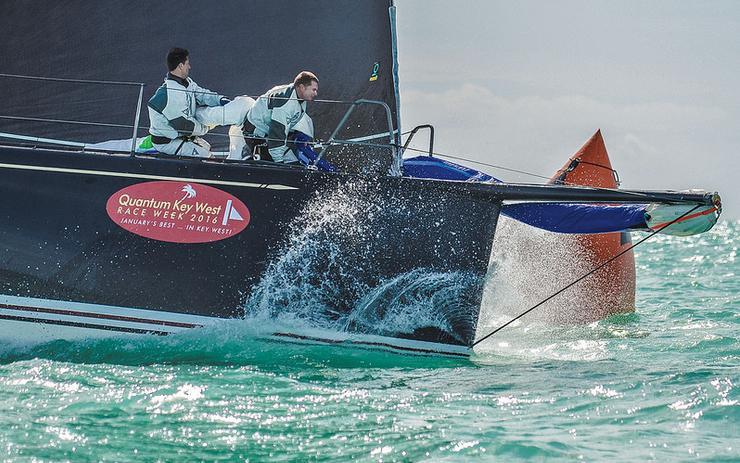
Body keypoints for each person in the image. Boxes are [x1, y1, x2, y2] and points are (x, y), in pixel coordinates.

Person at [148, 47, 250, 157]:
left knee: (207, 148)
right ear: (181, 66)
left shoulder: (185, 82)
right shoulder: (171, 94)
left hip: (180, 135)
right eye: (187, 63)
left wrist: (221, 100)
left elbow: (201, 94)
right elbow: (185, 126)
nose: (190, 67)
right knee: (206, 157)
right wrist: (207, 127)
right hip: (167, 142)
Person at [231, 71, 318, 163]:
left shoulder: (299, 98)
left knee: (293, 162)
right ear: (302, 87)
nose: (316, 93)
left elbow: (288, 122)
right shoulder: (285, 102)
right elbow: (277, 132)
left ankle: (254, 156)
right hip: (257, 135)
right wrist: (279, 162)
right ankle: (249, 157)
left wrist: (295, 135)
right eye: (313, 90)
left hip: (268, 134)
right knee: (272, 161)